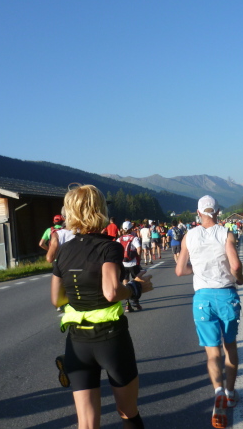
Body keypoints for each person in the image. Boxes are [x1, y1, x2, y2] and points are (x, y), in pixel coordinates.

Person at [51, 184, 153, 429]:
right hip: (110, 339)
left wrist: (80, 295)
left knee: (86, 423)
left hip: (77, 341)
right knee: (128, 412)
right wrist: (137, 287)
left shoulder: (63, 251)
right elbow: (111, 292)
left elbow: (56, 299)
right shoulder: (109, 247)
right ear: (100, 211)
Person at [175, 195, 243, 429]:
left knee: (212, 352)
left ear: (198, 213)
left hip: (202, 299)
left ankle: (218, 391)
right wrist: (240, 278)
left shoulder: (189, 236)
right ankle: (230, 394)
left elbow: (179, 270)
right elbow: (235, 266)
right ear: (217, 211)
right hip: (226, 296)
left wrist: (198, 267)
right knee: (230, 347)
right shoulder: (226, 234)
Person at [116, 221, 143, 312]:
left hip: (123, 263)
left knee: (125, 282)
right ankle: (136, 301)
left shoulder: (119, 239)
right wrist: (139, 257)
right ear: (131, 229)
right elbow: (139, 248)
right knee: (136, 281)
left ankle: (127, 304)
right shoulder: (134, 238)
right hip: (133, 263)